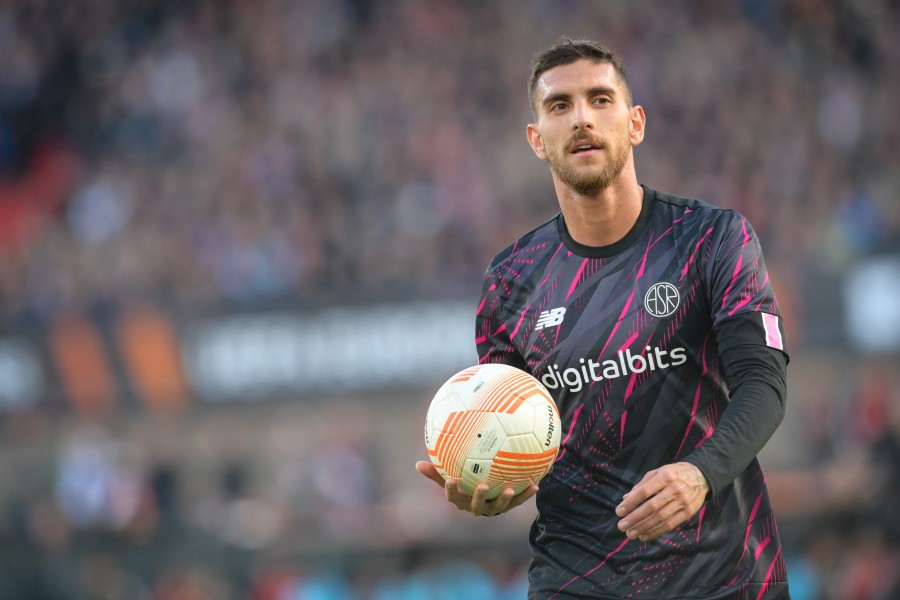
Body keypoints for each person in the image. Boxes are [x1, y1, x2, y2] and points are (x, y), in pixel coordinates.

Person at [416, 37, 791, 599]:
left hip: (725, 575)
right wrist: (497, 483)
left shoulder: (712, 239)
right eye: (560, 106)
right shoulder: (511, 281)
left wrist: (700, 473)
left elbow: (764, 384)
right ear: (537, 139)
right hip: (577, 577)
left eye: (600, 98)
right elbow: (514, 431)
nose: (582, 118)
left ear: (635, 122)